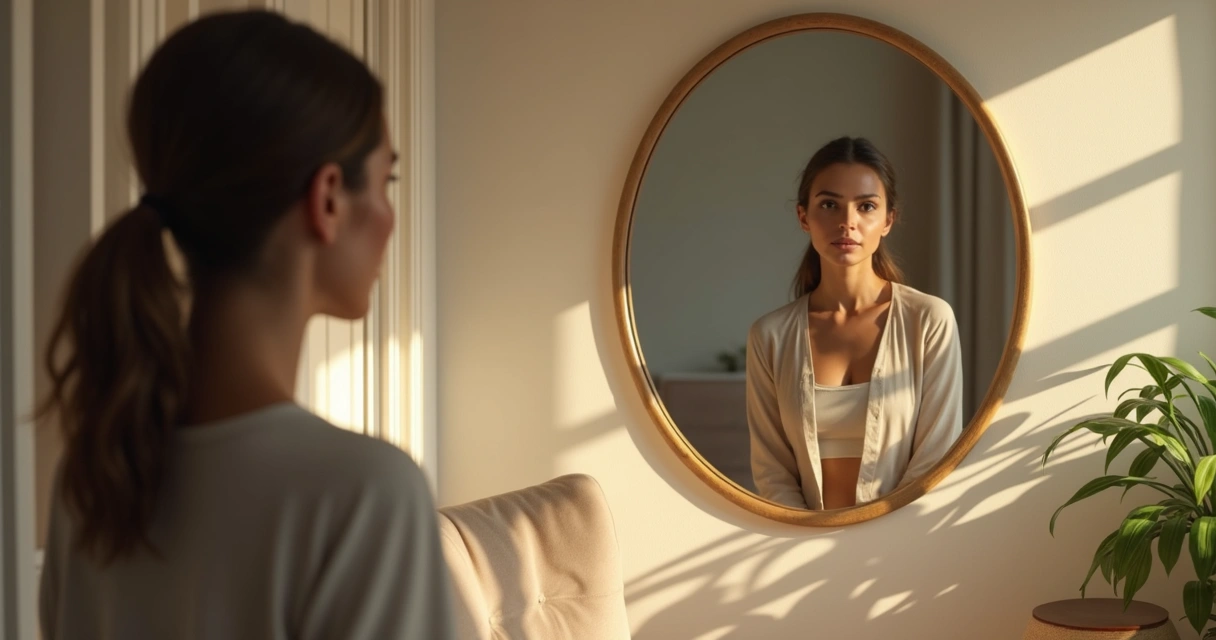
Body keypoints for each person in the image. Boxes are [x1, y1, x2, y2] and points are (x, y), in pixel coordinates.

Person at [37, 10, 454, 639]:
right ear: (328, 198)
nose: (392, 218)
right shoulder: (364, 496)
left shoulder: (92, 485)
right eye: (385, 181)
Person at [746, 136, 964, 511]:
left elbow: (936, 459)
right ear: (804, 217)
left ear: (888, 220)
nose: (847, 222)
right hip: (799, 541)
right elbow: (772, 472)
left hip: (906, 539)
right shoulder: (770, 336)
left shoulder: (929, 320)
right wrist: (808, 537)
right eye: (829, 205)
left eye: (866, 206)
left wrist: (880, 538)